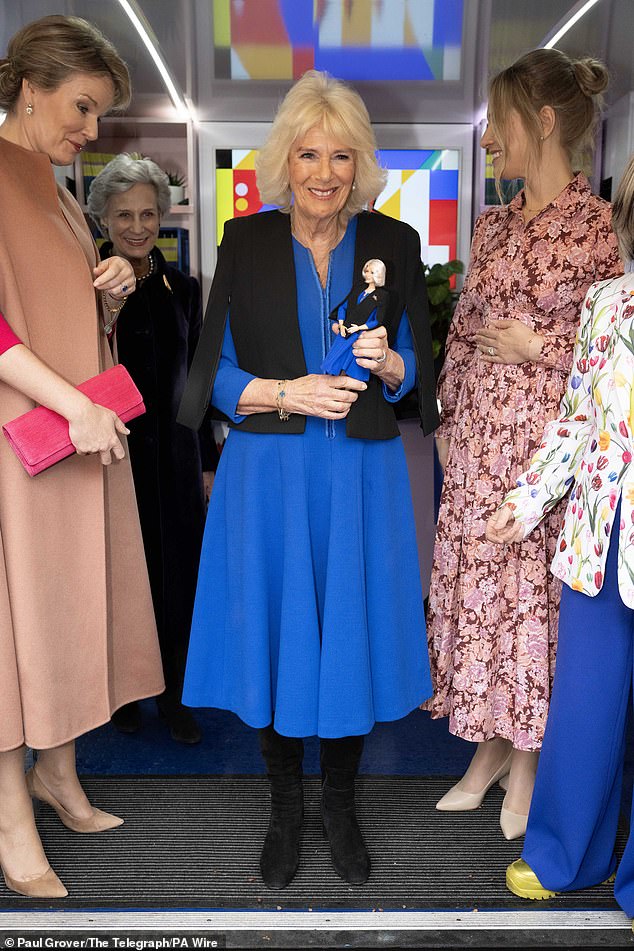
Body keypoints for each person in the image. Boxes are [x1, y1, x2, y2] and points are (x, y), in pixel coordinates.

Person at [177, 69, 438, 889]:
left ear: (360, 163)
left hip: (359, 475)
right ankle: (286, 808)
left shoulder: (393, 244)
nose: (325, 173)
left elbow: (420, 376)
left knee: (348, 633)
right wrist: (286, 391)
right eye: (309, 154)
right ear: (284, 160)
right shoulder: (245, 240)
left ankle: (342, 805)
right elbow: (208, 375)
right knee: (280, 636)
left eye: (341, 156)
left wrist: (391, 361)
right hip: (270, 475)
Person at [425, 47, 621, 839]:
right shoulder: (493, 221)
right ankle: (488, 748)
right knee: (478, 599)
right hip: (475, 443)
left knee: (532, 608)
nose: (487, 139)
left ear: (541, 121)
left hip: (547, 456)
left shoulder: (601, 228)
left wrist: (537, 348)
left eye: (498, 121)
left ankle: (527, 761)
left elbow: (618, 354)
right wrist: (444, 412)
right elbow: (465, 330)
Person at [0, 16, 164, 898]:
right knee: (9, 629)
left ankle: (55, 773)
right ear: (31, 86)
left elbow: (48, 314)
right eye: (83, 107)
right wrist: (74, 407)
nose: (91, 132)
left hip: (65, 437)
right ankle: (9, 815)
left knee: (60, 609)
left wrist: (106, 292)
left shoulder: (57, 186)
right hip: (21, 442)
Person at [486, 154, 634, 917]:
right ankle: (563, 857)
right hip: (598, 541)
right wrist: (528, 496)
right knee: (585, 707)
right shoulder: (608, 301)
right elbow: (578, 420)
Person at [87, 154, 218, 745]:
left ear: (163, 215)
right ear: (103, 220)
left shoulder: (185, 288)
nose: (137, 227)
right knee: (123, 574)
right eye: (123, 216)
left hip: (180, 455)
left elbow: (202, 377)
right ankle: (123, 691)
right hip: (114, 456)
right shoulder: (86, 284)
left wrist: (210, 462)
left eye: (147, 213)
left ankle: (173, 692)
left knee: (179, 577)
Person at [321, 258, 388, 379]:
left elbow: (377, 321)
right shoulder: (359, 289)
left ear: (378, 274)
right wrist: (341, 324)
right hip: (346, 330)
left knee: (353, 367)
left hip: (360, 334)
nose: (367, 274)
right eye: (366, 271)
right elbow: (343, 307)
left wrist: (359, 328)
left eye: (371, 272)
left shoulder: (382, 295)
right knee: (334, 361)